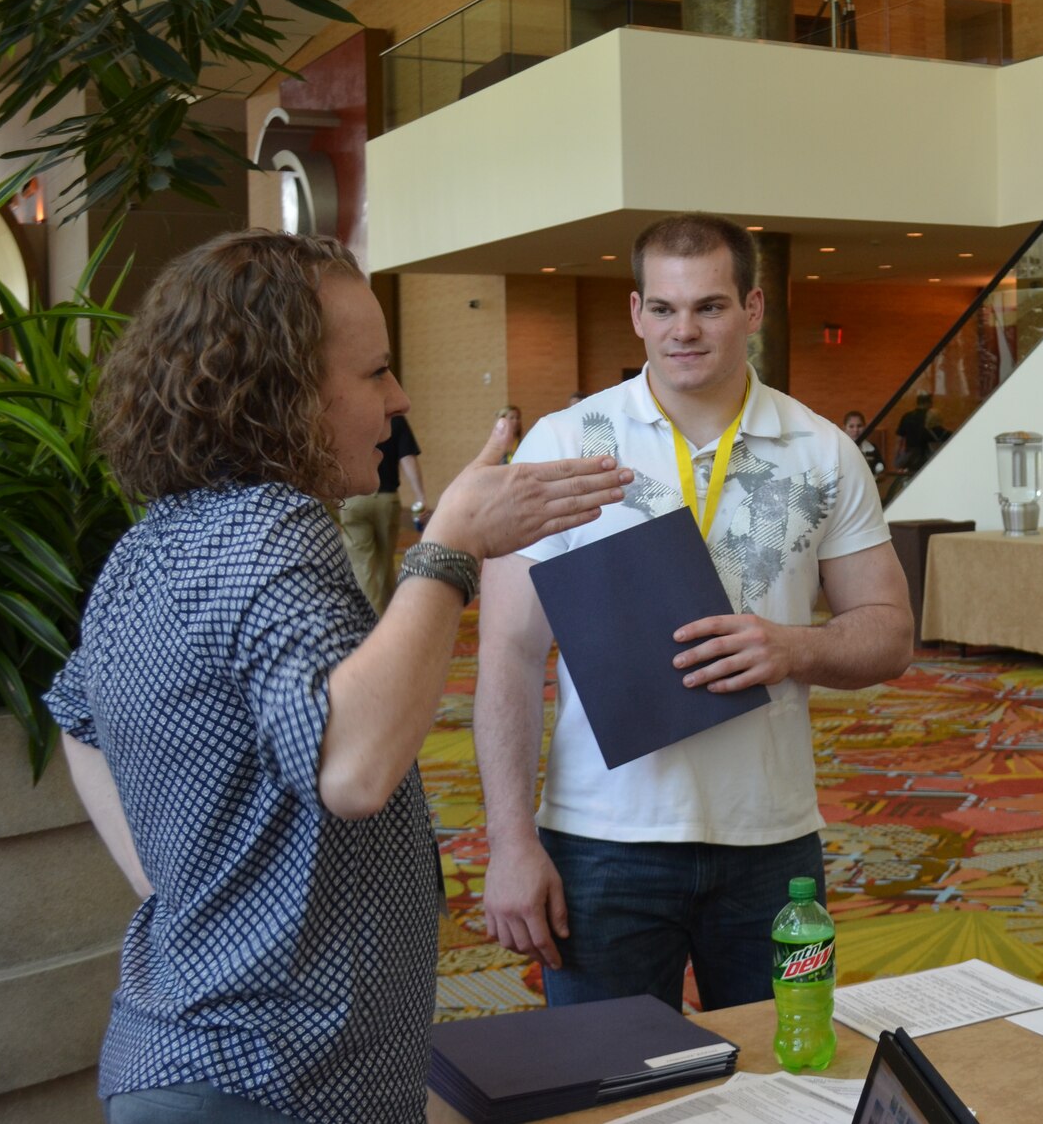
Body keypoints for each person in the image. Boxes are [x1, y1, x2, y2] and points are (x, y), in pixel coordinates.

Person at [46, 230, 629, 1124]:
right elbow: (355, 769)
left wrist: (180, 890)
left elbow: (74, 715)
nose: (398, 400)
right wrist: (451, 545)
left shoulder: (152, 541)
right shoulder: (275, 530)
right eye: (376, 372)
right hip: (274, 1078)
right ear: (283, 390)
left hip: (189, 1062)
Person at [475, 212, 914, 1012]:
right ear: (637, 312)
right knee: (605, 1074)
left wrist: (795, 648)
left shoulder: (821, 450)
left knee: (790, 1064)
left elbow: (890, 632)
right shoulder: (564, 446)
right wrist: (509, 840)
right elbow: (508, 654)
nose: (684, 330)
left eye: (709, 306)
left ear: (753, 308)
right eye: (665, 308)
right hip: (603, 840)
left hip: (773, 843)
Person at [335, 411, 426, 612]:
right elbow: (408, 458)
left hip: (353, 499)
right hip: (386, 499)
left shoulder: (347, 413)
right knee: (386, 564)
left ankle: (371, 620)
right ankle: (390, 617)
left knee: (362, 565)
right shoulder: (394, 418)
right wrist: (420, 497)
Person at [893, 392, 942, 473]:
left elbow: (899, 440)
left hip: (910, 455)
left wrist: (897, 457)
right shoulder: (931, 417)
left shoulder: (907, 416)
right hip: (928, 454)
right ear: (928, 403)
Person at [843, 409, 885, 476]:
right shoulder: (839, 449)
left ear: (865, 427)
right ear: (845, 428)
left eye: (859, 426)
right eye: (851, 426)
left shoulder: (873, 448)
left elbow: (881, 467)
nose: (856, 430)